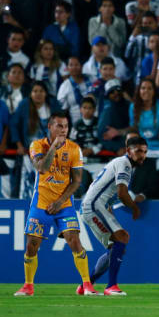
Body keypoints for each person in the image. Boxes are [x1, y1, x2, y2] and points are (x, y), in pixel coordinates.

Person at [14, 112, 97, 297]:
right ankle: (28, 286)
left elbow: (76, 181)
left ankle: (86, 285)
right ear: (50, 127)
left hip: (64, 203)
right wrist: (54, 147)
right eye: (59, 126)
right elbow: (42, 168)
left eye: (66, 126)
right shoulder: (37, 145)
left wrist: (60, 202)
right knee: (31, 246)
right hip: (41, 202)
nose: (63, 130)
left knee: (74, 241)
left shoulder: (75, 149)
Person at [79, 136, 148, 296]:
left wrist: (109, 211)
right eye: (138, 151)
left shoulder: (122, 164)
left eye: (144, 152)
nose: (142, 155)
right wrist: (134, 208)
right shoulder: (124, 164)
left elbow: (105, 191)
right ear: (128, 151)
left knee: (116, 247)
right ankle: (111, 286)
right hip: (93, 207)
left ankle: (86, 285)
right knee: (122, 238)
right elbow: (122, 194)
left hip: (96, 206)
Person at [129, 78, 159, 154]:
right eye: (143, 88)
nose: (146, 91)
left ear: (154, 91)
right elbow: (133, 128)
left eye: (149, 88)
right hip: (141, 146)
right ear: (139, 91)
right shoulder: (133, 107)